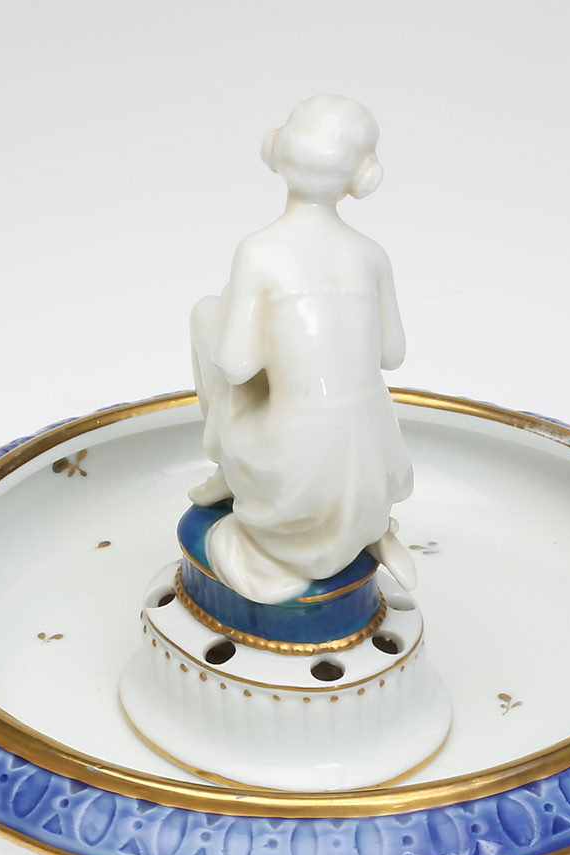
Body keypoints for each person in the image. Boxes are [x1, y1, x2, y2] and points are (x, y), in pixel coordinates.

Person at [189, 94, 417, 605]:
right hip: (371, 471)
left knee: (207, 312)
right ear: (362, 176)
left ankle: (230, 475)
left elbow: (236, 364)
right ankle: (373, 528)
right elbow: (392, 354)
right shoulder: (371, 254)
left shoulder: (259, 251)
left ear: (277, 149)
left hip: (292, 476)